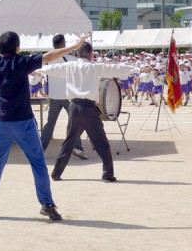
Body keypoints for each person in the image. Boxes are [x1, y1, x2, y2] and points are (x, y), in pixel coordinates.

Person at [0, 31, 88, 220]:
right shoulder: (22, 62)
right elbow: (49, 56)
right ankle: (46, 203)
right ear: (17, 47)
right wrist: (73, 46)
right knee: (37, 162)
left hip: (3, 122)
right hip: (24, 122)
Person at [37, 42, 139, 182]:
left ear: (78, 54)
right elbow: (114, 68)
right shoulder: (94, 67)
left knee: (69, 141)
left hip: (73, 107)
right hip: (88, 108)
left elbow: (53, 69)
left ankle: (56, 173)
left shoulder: (69, 66)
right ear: (90, 55)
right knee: (101, 142)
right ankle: (107, 173)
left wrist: (37, 69)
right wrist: (135, 69)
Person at [40, 34, 88, 159]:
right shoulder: (71, 58)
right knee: (74, 123)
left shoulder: (48, 60)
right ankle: (77, 147)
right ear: (63, 44)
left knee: (50, 124)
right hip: (68, 95)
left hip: (54, 96)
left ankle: (40, 149)